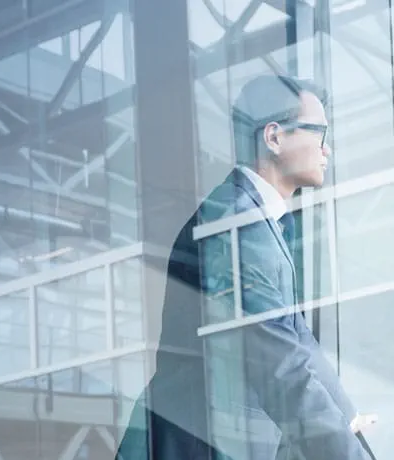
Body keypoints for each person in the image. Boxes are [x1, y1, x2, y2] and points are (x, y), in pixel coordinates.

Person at [116, 75, 375, 460]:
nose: (327, 149)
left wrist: (347, 418)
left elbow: (297, 338)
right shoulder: (238, 225)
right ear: (273, 137)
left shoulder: (254, 219)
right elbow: (280, 368)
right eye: (319, 133)